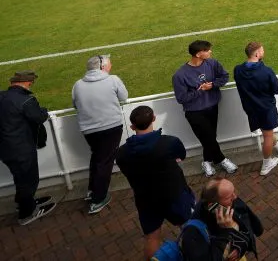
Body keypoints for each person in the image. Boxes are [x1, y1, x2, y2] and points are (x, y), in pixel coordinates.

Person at [116, 105, 197, 258]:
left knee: (151, 237)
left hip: (146, 200)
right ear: (153, 119)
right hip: (174, 196)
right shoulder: (169, 143)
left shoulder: (121, 153)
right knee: (189, 228)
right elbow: (181, 155)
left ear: (132, 126)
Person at [71, 54, 128, 214]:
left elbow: (75, 104)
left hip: (88, 130)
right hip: (110, 126)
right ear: (102, 67)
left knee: (97, 157)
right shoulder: (113, 80)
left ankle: (93, 190)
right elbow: (124, 97)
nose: (111, 66)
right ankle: (98, 198)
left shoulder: (78, 84)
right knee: (105, 162)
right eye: (109, 64)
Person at [172, 40, 236, 177]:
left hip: (212, 107)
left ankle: (206, 161)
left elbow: (224, 77)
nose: (210, 52)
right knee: (208, 137)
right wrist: (200, 91)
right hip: (194, 112)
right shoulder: (180, 75)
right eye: (207, 50)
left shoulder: (213, 63)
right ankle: (221, 159)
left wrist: (212, 85)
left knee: (210, 137)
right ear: (198, 54)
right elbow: (181, 98)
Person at [0, 70, 54, 226]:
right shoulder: (26, 100)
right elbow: (39, 117)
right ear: (27, 83)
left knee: (20, 178)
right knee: (28, 180)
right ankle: (26, 213)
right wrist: (44, 110)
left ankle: (25, 203)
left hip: (5, 148)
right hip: (21, 148)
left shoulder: (2, 96)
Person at [233, 42, 278, 175]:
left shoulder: (237, 70)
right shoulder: (266, 71)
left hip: (251, 108)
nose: (263, 53)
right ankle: (266, 164)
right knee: (268, 136)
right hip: (265, 108)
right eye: (262, 51)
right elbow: (277, 89)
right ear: (257, 54)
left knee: (266, 131)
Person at [185, 177, 263, 260]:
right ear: (212, 206)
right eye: (229, 197)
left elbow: (246, 228)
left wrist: (239, 247)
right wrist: (225, 231)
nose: (235, 197)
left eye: (234, 192)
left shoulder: (230, 202)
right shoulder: (193, 232)